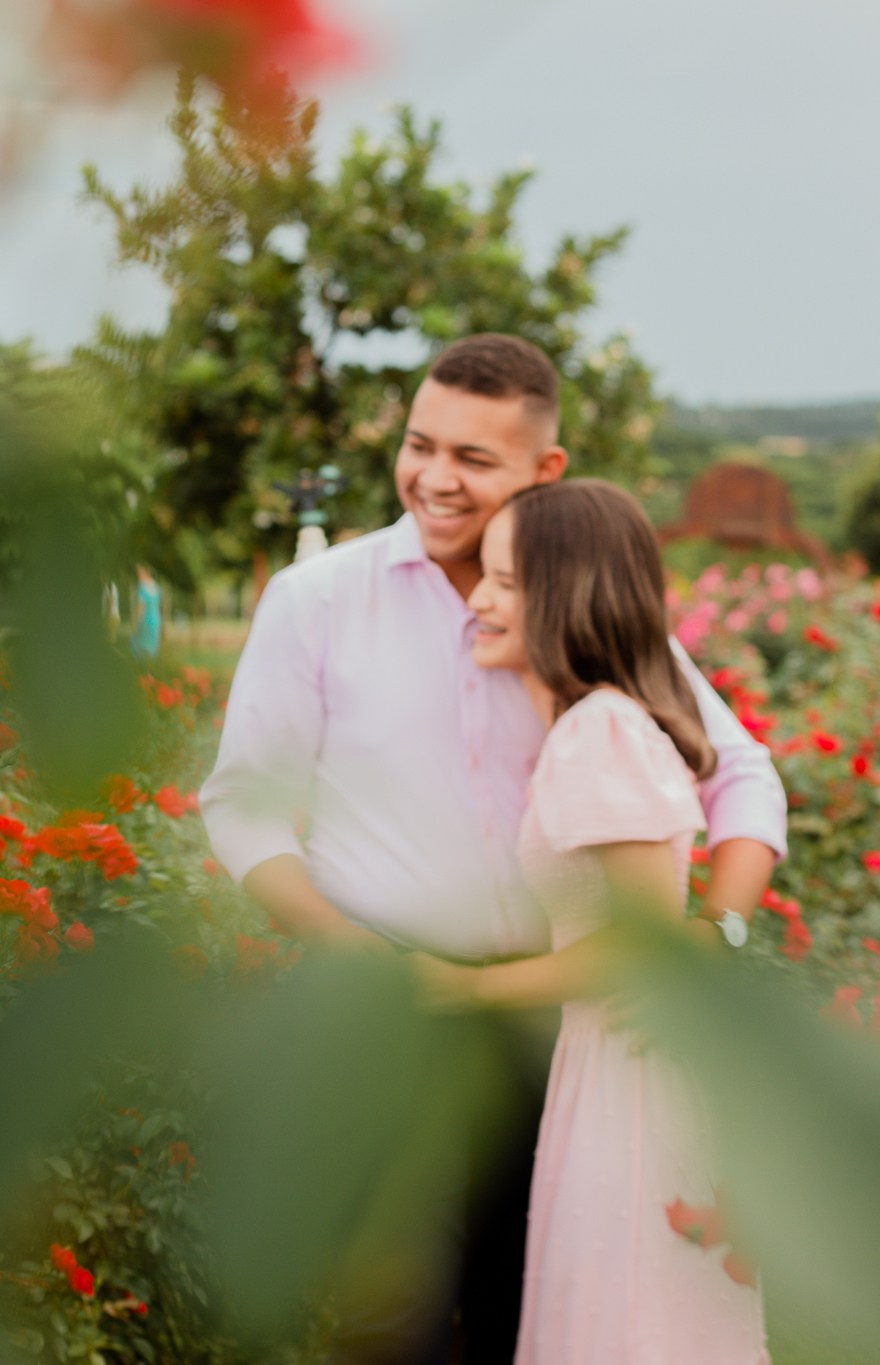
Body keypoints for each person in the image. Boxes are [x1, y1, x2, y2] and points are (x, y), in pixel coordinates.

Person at [199, 333, 786, 1363]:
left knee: (543, 1304)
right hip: (395, 1021)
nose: (434, 478)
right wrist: (360, 962)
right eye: (420, 445)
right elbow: (243, 809)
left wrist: (718, 927)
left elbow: (740, 775)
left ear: (543, 472)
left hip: (566, 1031)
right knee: (395, 1323)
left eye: (474, 459)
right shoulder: (319, 602)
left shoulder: (588, 611)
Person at [418, 479, 771, 1363]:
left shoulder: (597, 733)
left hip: (626, 1057)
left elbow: (635, 947)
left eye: (503, 581)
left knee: (625, 1309)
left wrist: (463, 984)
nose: (481, 599)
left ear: (566, 593)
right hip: (613, 1053)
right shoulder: (596, 723)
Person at [131, 564, 162, 660]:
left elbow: (141, 607)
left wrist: (136, 623)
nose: (138, 575)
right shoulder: (156, 586)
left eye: (140, 573)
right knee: (151, 647)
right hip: (156, 619)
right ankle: (150, 670)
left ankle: (141, 670)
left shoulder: (142, 587)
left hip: (145, 619)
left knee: (137, 645)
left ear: (146, 573)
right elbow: (157, 605)